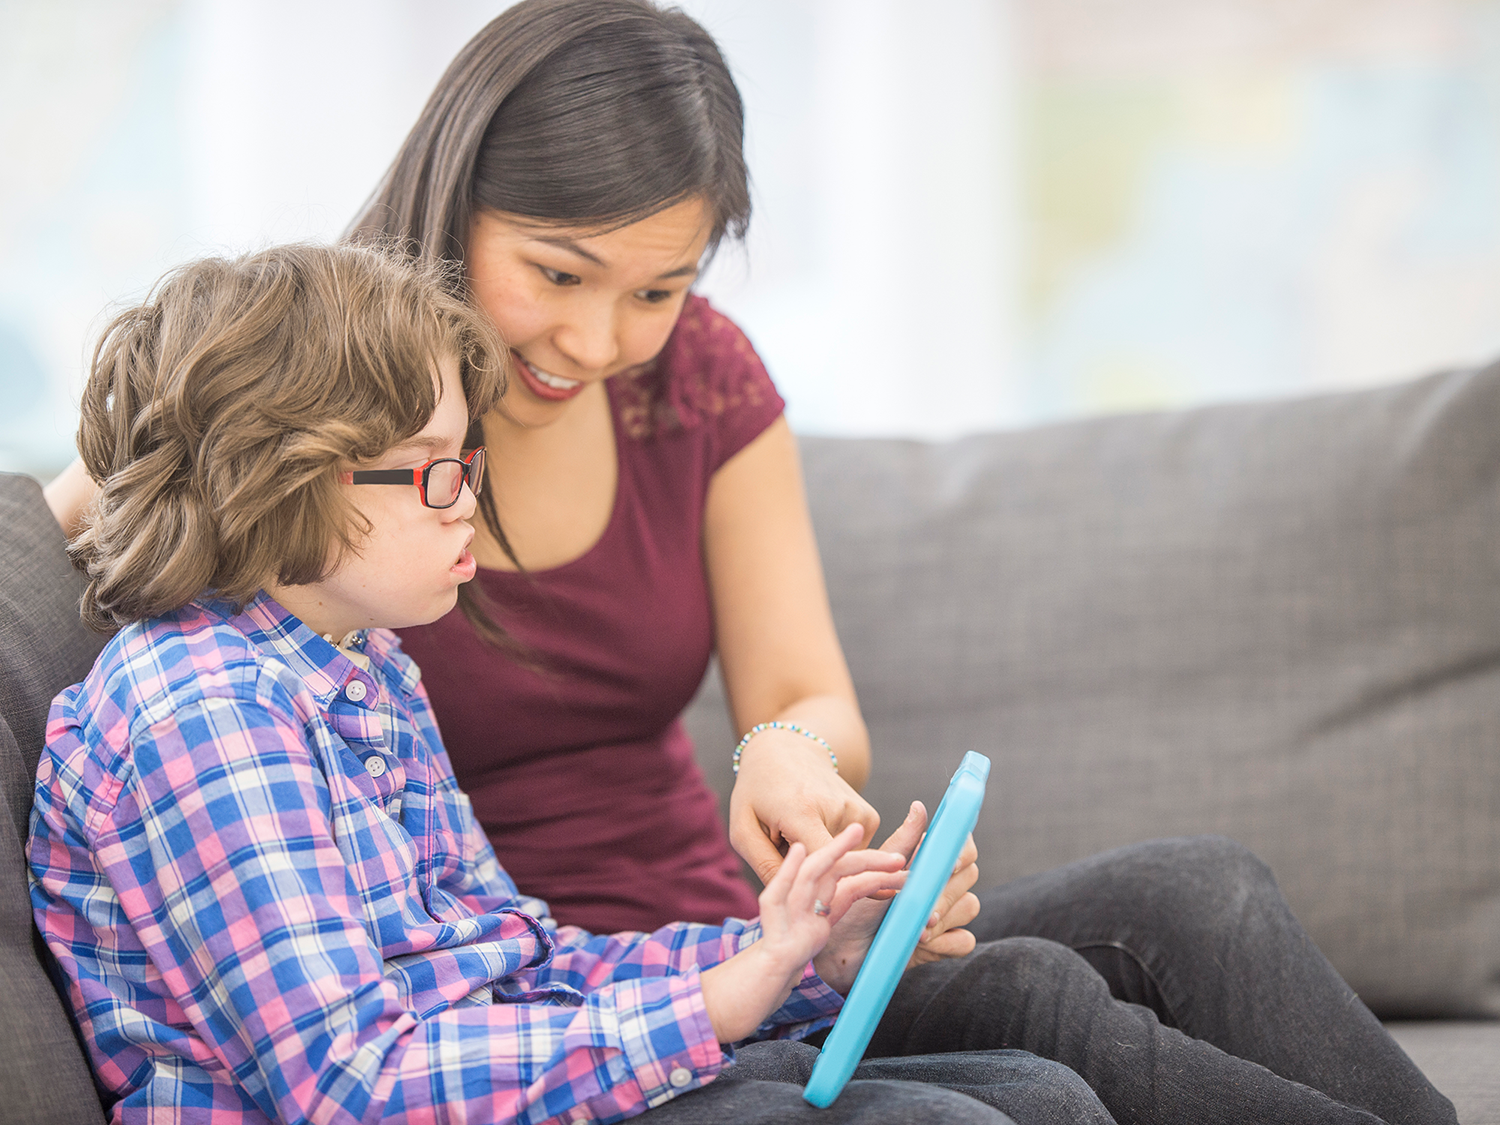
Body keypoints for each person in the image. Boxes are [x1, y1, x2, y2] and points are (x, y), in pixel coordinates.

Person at [39, 4, 1459, 1121]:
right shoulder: (292, 404)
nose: (600, 341)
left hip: (671, 953)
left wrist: (783, 769)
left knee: (1190, 895)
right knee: (1031, 1021)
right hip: (543, 1028)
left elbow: (795, 696)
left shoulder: (678, 399)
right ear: (456, 198)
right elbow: (136, 483)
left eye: (660, 288)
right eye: (559, 272)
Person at [29, 242, 1109, 1125]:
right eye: (440, 470)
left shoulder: (361, 671)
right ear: (290, 479)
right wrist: (711, 1010)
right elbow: (351, 1087)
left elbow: (522, 965)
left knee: (1038, 1093)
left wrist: (785, 955)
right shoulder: (206, 717)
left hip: (507, 1087)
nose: (470, 505)